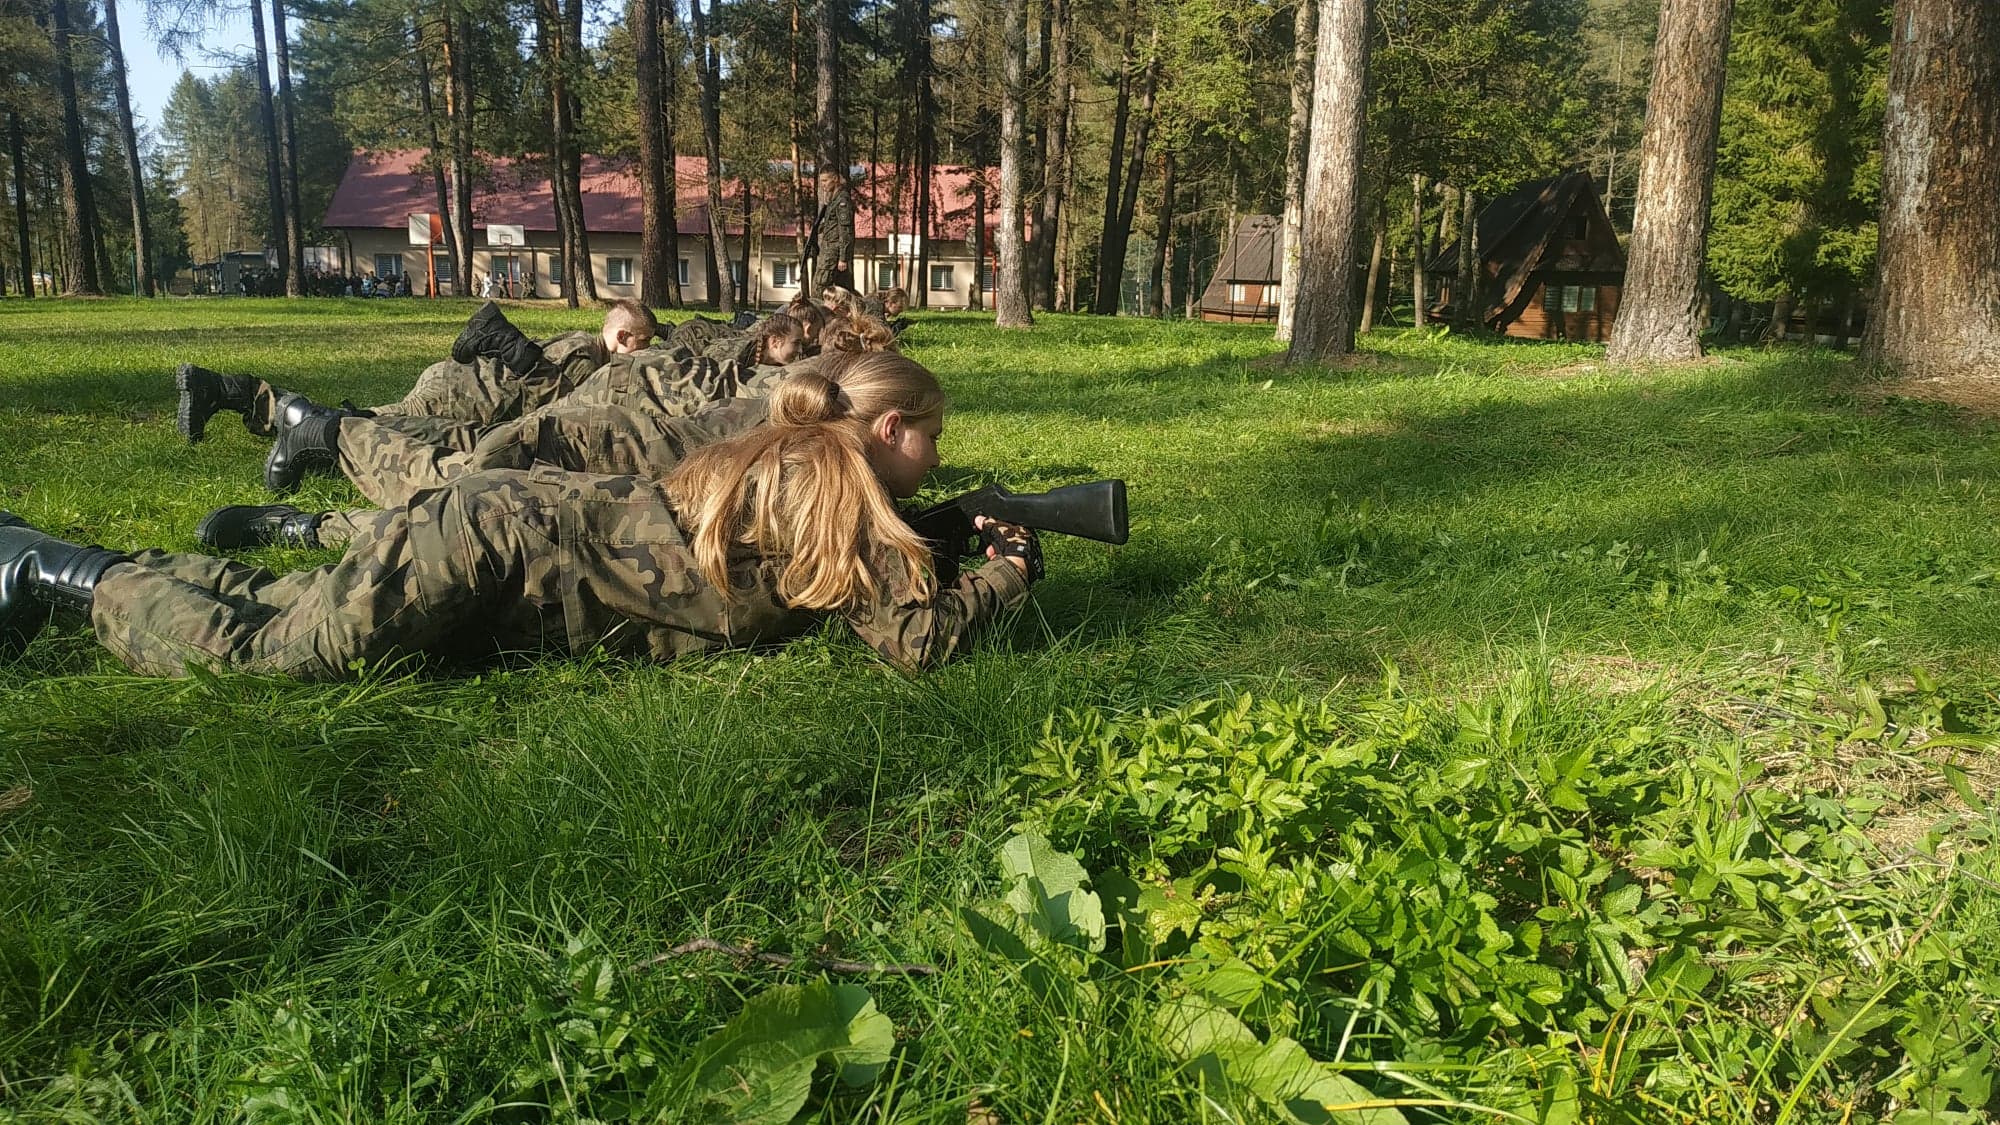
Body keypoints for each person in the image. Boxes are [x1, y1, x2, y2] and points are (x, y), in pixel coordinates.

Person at [0, 353, 1040, 678]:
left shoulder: (799, 459)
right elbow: (913, 639)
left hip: (499, 539)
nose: (937, 457)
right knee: (273, 660)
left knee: (292, 602)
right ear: (893, 430)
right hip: (490, 549)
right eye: (932, 439)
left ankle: (67, 564)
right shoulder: (843, 499)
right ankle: (55, 574)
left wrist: (944, 533)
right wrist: (1009, 570)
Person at [174, 300, 659, 490]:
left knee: (361, 422)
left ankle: (232, 396)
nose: (643, 355)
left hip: (461, 387)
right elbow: (556, 406)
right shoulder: (587, 357)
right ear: (621, 337)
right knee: (358, 426)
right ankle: (227, 390)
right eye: (643, 344)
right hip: (465, 398)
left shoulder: (581, 342)